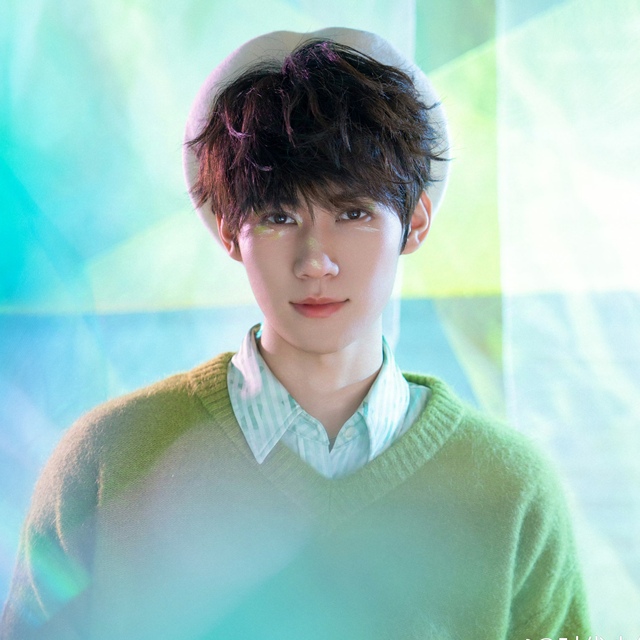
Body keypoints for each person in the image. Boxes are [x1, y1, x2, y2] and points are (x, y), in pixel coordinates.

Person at [1, 27, 588, 640]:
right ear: (229, 232)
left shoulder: (512, 492)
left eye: (353, 213)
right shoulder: (107, 460)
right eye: (279, 216)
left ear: (415, 223)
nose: (315, 261)